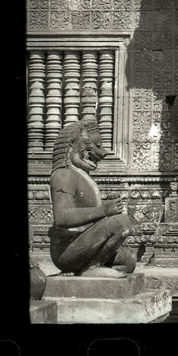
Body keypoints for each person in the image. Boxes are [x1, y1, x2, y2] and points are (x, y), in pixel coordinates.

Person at [49, 116, 136, 277]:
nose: (101, 153)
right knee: (121, 222)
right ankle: (91, 268)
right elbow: (62, 217)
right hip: (67, 250)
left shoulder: (81, 176)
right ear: (70, 146)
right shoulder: (63, 175)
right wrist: (103, 210)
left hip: (84, 244)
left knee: (129, 260)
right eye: (92, 145)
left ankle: (92, 267)